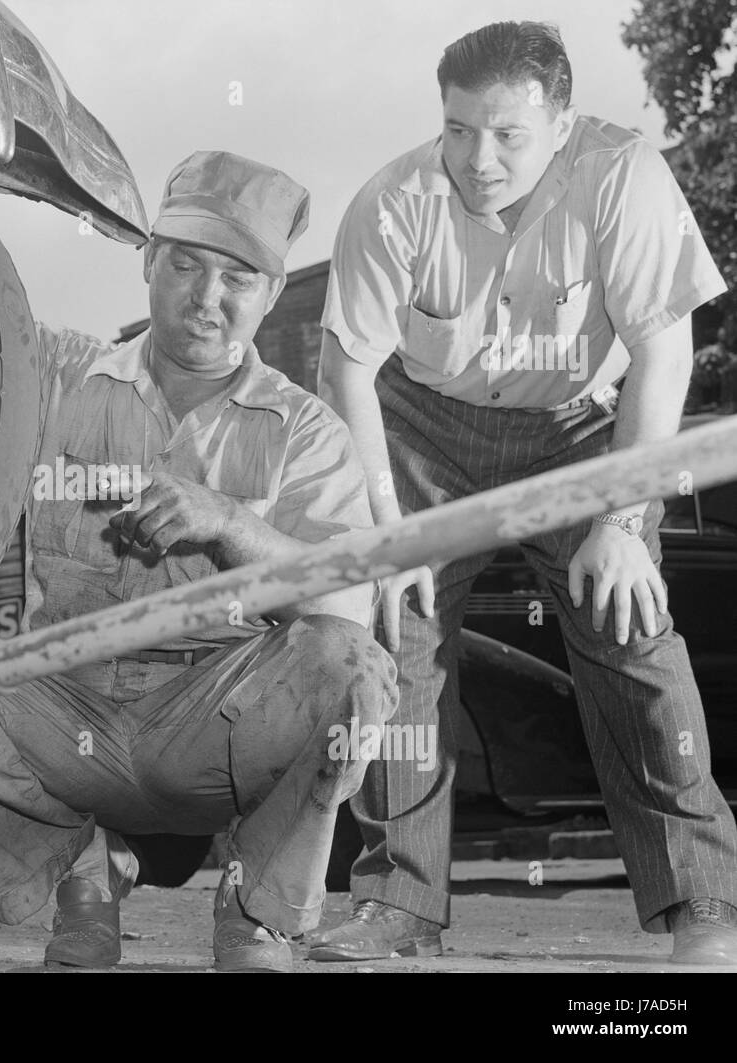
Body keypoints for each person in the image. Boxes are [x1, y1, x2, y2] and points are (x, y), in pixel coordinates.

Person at [0, 150, 398, 972]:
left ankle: (258, 908)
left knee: (353, 668)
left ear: (272, 292)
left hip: (215, 728)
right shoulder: (55, 377)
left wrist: (228, 523)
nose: (206, 298)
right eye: (184, 263)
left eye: (237, 278)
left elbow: (349, 612)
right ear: (148, 259)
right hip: (61, 708)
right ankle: (81, 871)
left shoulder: (306, 432)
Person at [314, 20, 737, 965]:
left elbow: (666, 353)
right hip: (421, 425)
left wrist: (624, 519)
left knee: (630, 626)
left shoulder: (625, 175)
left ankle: (706, 902)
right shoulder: (392, 203)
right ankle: (397, 906)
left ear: (563, 120)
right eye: (460, 130)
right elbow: (345, 374)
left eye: (508, 133)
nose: (480, 158)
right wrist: (385, 527)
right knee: (396, 630)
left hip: (582, 427)